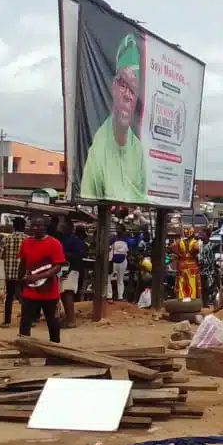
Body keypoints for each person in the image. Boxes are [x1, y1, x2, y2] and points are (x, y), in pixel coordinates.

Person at [78, 33, 147, 203]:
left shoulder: (138, 151)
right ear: (114, 87)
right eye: (123, 84)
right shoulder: (98, 150)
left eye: (133, 89)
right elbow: (87, 198)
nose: (128, 96)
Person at [18, 215, 66, 342]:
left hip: (49, 291)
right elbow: (23, 264)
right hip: (30, 290)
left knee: (52, 323)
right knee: (25, 323)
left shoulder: (54, 244)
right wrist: (20, 284)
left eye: (38, 226)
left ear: (45, 227)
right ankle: (24, 353)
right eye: (33, 226)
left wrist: (39, 276)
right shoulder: (26, 242)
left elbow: (57, 267)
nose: (35, 228)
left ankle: (55, 354)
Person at [58, 220, 86, 327]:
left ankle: (71, 320)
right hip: (63, 268)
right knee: (63, 294)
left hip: (72, 268)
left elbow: (79, 255)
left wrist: (64, 254)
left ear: (70, 228)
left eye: (63, 226)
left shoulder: (75, 241)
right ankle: (68, 317)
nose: (61, 228)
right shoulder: (63, 239)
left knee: (68, 293)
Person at [0, 217, 27, 328]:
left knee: (9, 297)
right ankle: (27, 320)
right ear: (24, 226)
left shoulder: (6, 239)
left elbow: (1, 255)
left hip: (10, 273)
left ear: (13, 226)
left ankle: (7, 321)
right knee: (26, 297)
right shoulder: (28, 239)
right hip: (24, 274)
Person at [171, 231, 202, 300]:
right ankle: (191, 298)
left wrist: (179, 254)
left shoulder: (180, 242)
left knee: (182, 282)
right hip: (192, 266)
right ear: (193, 235)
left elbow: (172, 247)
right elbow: (197, 249)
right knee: (191, 282)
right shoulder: (195, 242)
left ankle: (181, 298)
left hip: (182, 265)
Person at [109, 228, 130, 301]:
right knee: (119, 280)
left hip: (114, 260)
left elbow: (108, 246)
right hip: (120, 261)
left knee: (110, 279)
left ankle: (111, 296)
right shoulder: (126, 240)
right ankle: (118, 297)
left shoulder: (113, 239)